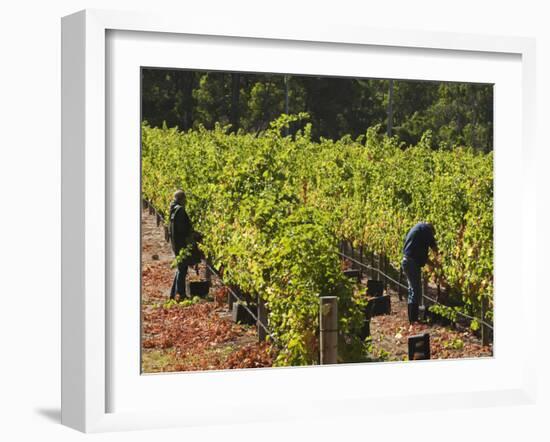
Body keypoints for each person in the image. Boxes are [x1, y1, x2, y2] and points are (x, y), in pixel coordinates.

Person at [401, 222, 438, 324]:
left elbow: (421, 254)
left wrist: (432, 263)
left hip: (406, 261)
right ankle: (414, 319)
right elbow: (434, 247)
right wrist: (438, 260)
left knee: (412, 289)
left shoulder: (419, 230)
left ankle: (412, 319)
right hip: (412, 263)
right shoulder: (426, 229)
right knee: (415, 290)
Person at [169, 190, 193, 300]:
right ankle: (180, 294)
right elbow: (182, 229)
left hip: (176, 243)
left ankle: (174, 293)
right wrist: (192, 234)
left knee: (181, 268)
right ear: (182, 199)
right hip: (181, 243)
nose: (186, 201)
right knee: (182, 268)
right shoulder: (180, 210)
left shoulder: (173, 210)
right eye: (185, 199)